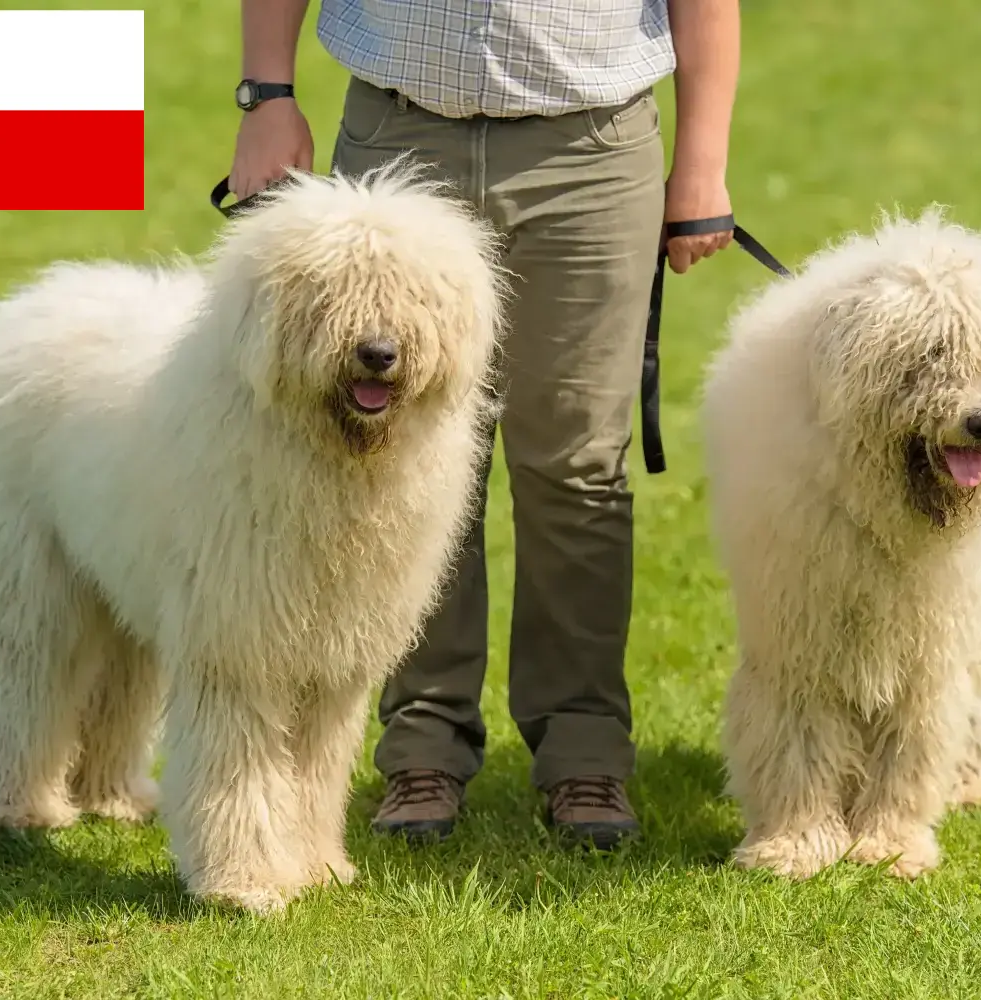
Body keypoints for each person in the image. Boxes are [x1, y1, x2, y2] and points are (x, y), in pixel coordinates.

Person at [229, 0, 740, 850]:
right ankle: (422, 745)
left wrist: (703, 161)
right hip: (399, 140)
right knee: (401, 462)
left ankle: (584, 752)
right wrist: (268, 94)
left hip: (589, 153)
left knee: (575, 466)